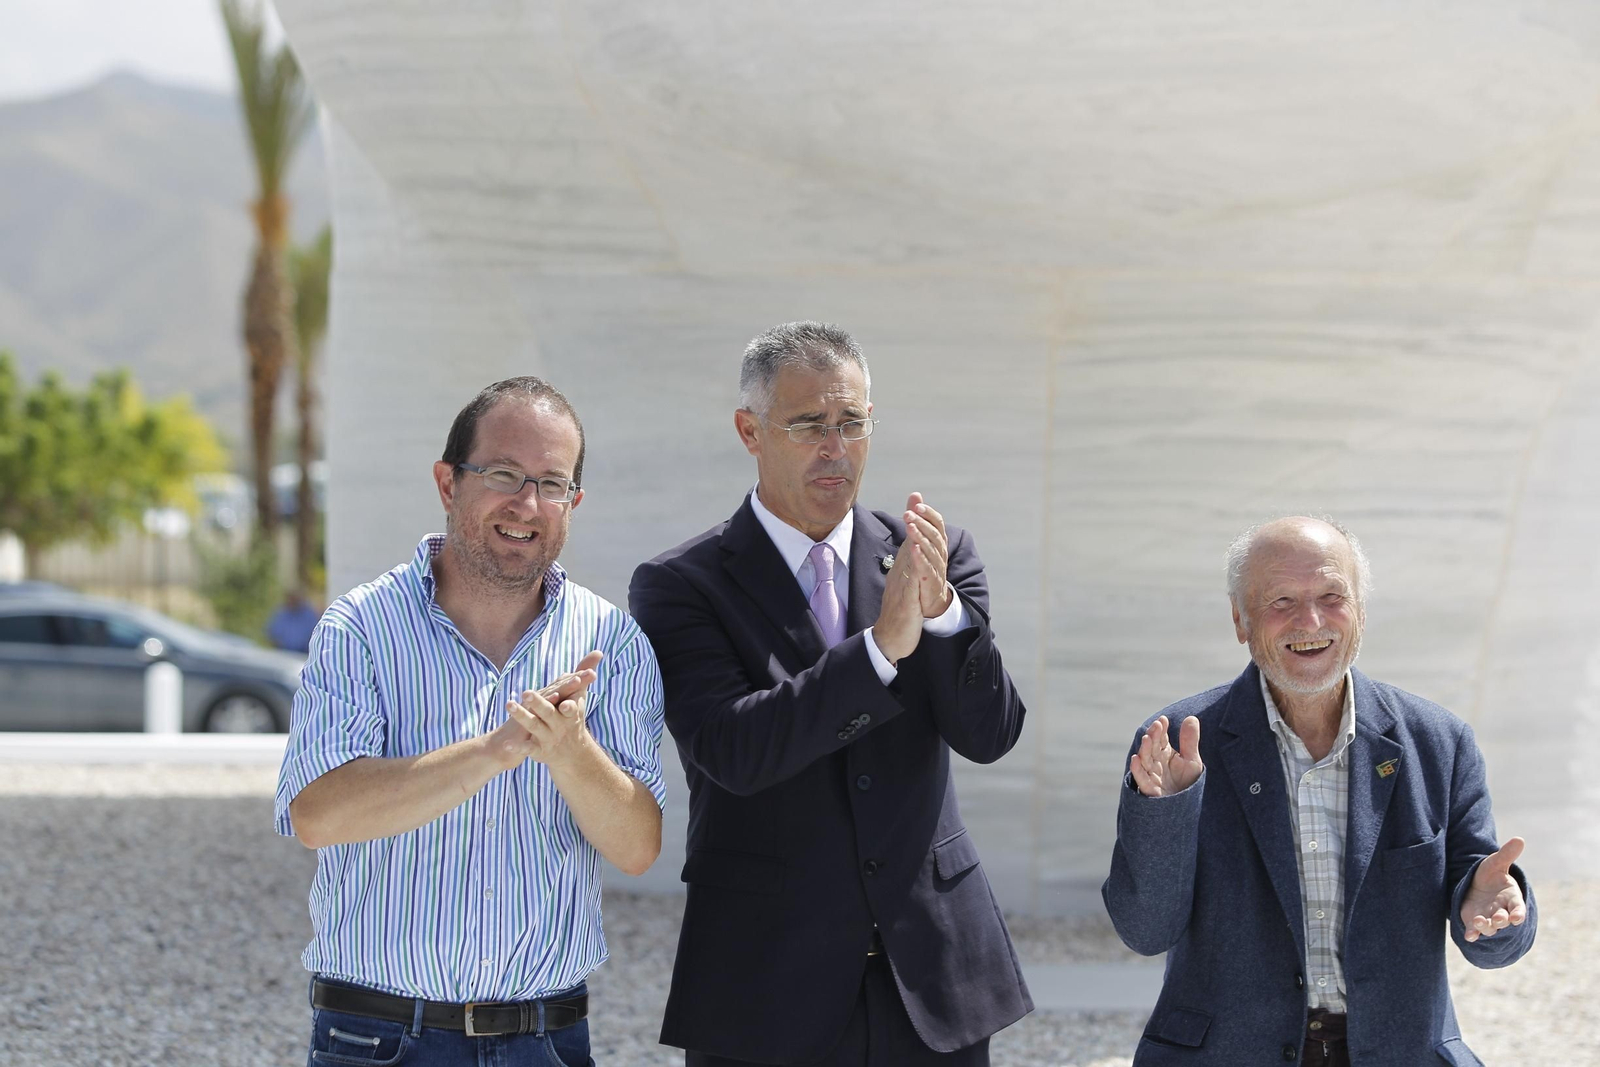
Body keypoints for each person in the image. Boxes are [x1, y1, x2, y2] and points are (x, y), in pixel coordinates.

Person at [629, 321, 1032, 1066]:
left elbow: (991, 733)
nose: (835, 447)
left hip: (932, 982)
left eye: (852, 422)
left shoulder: (933, 557)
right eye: (810, 424)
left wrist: (943, 616)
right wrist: (880, 649)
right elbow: (735, 748)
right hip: (767, 984)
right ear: (750, 430)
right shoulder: (680, 584)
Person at [274, 377, 666, 1067]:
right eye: (504, 473)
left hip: (546, 1041)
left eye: (553, 483)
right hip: (377, 1040)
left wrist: (570, 751)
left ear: (574, 503)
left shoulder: (612, 643)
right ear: (447, 482)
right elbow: (318, 815)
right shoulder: (361, 629)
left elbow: (637, 846)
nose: (528, 503)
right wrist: (492, 751)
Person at [1102, 516, 1536, 1066]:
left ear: (1360, 611)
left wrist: (1490, 909)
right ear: (1240, 619)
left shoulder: (1439, 743)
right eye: (1281, 599)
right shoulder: (1178, 743)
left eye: (1333, 596)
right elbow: (1144, 931)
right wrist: (1166, 816)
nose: (1309, 621)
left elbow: (1491, 930)